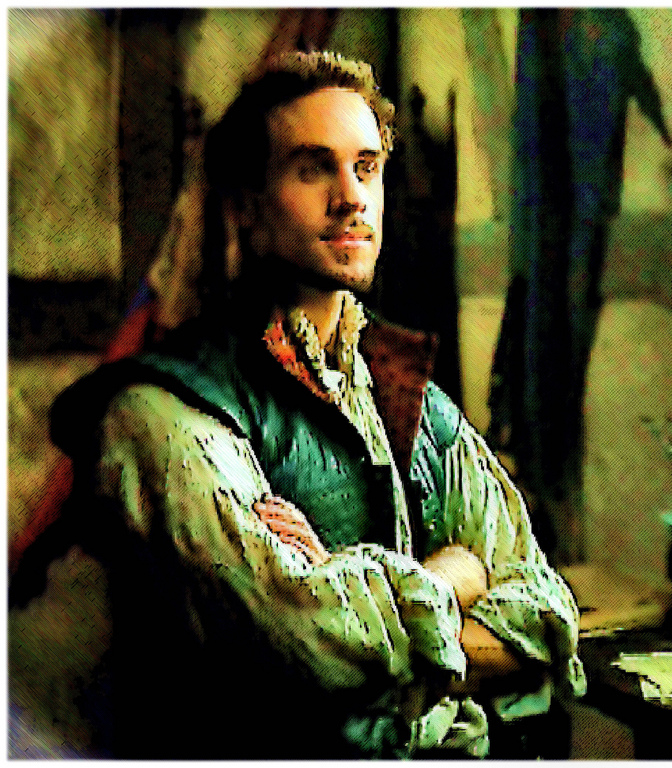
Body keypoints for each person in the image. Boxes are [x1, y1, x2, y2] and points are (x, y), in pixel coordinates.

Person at [48, 51, 585, 759]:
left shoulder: (409, 395)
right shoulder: (163, 412)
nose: (351, 197)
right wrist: (453, 577)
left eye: (366, 167)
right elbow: (307, 651)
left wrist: (359, 601)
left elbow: (547, 614)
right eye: (312, 168)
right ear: (247, 205)